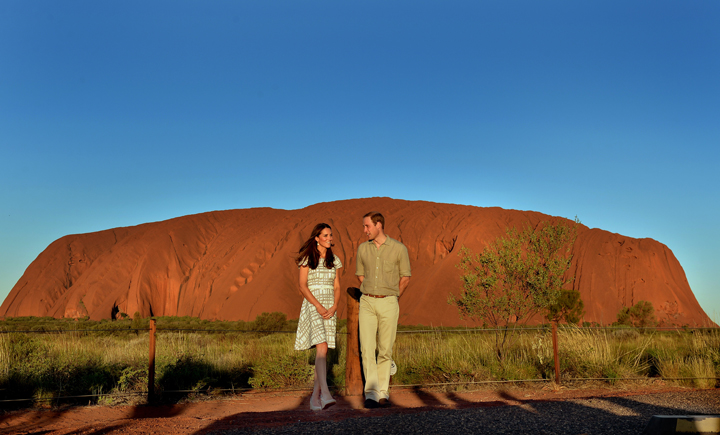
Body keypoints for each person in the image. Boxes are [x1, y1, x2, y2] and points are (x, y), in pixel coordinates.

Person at [356, 211, 411, 408]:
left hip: (389, 302)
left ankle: (383, 393)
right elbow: (360, 275)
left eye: (367, 226)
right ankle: (370, 394)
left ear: (378, 225)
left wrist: (393, 297)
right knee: (367, 349)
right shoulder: (363, 249)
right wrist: (371, 292)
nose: (364, 230)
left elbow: (405, 277)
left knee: (385, 350)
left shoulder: (398, 249)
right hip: (368, 302)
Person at [294, 223, 342, 411]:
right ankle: (326, 393)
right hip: (313, 304)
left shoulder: (335, 260)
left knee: (323, 351)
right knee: (321, 345)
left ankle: (315, 398)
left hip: (330, 304)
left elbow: (337, 286)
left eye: (331, 235)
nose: (330, 238)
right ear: (317, 238)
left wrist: (335, 305)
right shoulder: (307, 258)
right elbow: (302, 285)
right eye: (326, 235)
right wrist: (318, 305)